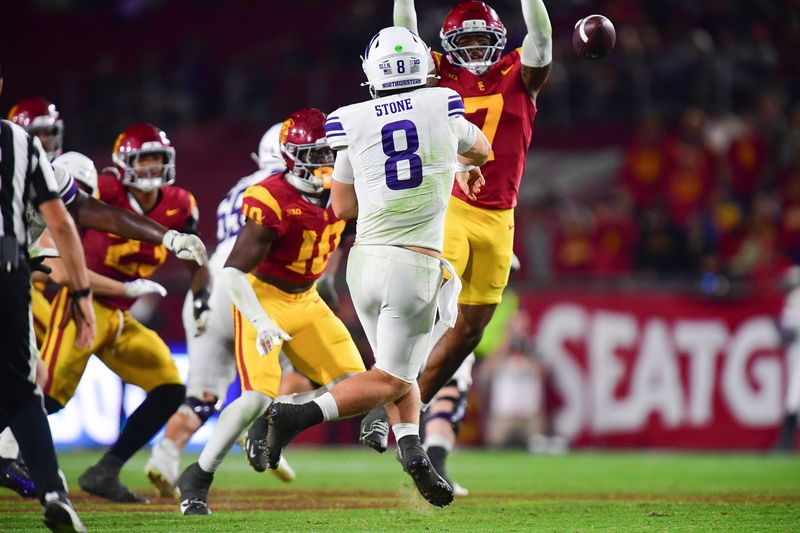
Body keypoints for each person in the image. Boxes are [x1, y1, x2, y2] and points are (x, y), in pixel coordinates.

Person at [263, 26, 490, 508]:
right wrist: (460, 165)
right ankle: (294, 417)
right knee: (391, 375)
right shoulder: (442, 102)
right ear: (420, 68)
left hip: (364, 263)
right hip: (414, 262)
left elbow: (341, 207)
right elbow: (484, 150)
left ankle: (412, 452)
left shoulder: (349, 117)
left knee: (397, 369)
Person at [360, 0, 553, 491]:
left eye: (478, 40)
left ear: (496, 41)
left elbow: (543, 37)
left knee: (469, 330)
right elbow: (403, 29)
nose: (470, 50)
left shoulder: (519, 73)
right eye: (461, 41)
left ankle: (404, 403)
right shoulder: (436, 74)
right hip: (448, 206)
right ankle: (388, 403)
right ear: (446, 46)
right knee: (429, 307)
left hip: (501, 216)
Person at [0, 103, 207, 499]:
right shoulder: (96, 184)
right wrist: (121, 288)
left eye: (156, 159)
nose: (149, 168)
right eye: (142, 159)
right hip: (75, 301)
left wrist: (198, 294)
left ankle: (104, 471)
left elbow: (85, 211)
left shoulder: (178, 203)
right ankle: (11, 454)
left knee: (168, 387)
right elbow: (62, 241)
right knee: (44, 393)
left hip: (113, 314)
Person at [176, 108, 366, 516]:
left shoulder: (347, 190)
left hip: (309, 299)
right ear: (293, 158)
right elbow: (231, 273)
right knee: (252, 399)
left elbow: (356, 236)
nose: (328, 165)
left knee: (359, 389)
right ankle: (198, 475)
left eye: (331, 154)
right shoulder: (271, 199)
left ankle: (280, 416)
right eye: (318, 156)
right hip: (265, 298)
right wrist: (260, 320)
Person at [144, 123, 298, 498]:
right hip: (252, 283)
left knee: (203, 394)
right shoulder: (291, 187)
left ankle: (165, 454)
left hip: (210, 280)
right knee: (306, 367)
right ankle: (261, 428)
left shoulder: (237, 187)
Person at [0, 74, 91, 533]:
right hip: (8, 269)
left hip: (16, 266)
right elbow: (63, 223)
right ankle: (54, 493)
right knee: (22, 393)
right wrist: (82, 295)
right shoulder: (19, 142)